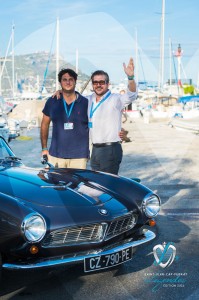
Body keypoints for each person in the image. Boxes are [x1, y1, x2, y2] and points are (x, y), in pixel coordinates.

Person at [53, 57, 137, 175]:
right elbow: (72, 97)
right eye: (95, 82)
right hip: (95, 150)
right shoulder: (88, 100)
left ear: (108, 84)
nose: (98, 85)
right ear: (92, 84)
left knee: (106, 185)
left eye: (102, 82)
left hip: (110, 149)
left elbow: (132, 95)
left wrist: (131, 78)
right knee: (97, 186)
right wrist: (61, 91)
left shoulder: (116, 99)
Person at [40, 68, 89, 169]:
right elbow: (44, 124)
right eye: (64, 79)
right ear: (60, 82)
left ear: (75, 81)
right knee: (56, 184)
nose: (68, 82)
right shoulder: (52, 101)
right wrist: (44, 148)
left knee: (76, 185)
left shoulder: (85, 102)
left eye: (71, 79)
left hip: (79, 156)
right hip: (56, 155)